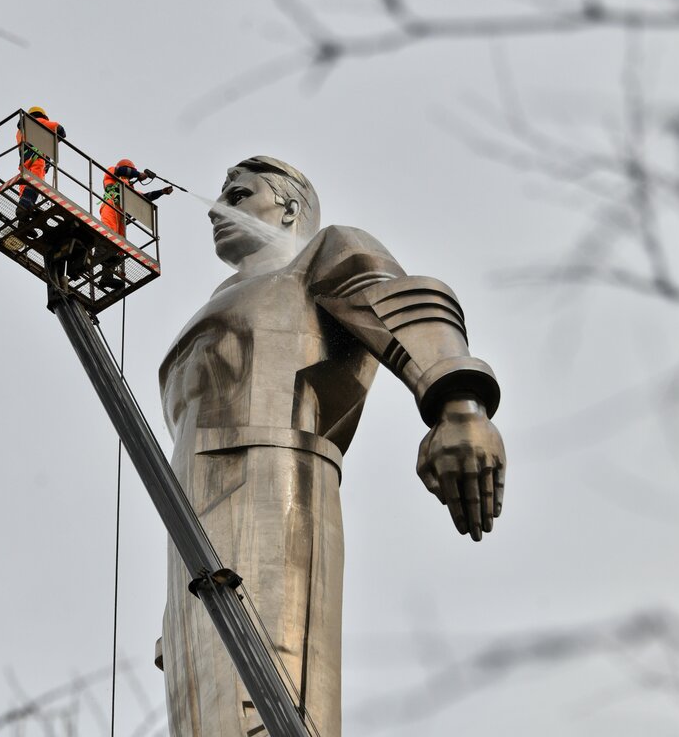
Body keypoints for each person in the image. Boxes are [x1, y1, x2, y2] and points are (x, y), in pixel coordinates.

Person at [157, 156, 506, 737]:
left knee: (269, 696)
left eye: (238, 196)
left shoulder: (316, 257)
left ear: (289, 207)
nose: (217, 210)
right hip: (188, 509)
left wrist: (459, 404)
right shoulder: (224, 300)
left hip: (274, 478)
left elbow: (400, 301)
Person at [15, 106, 65, 223]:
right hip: (37, 157)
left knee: (25, 183)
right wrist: (52, 140)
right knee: (36, 181)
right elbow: (60, 130)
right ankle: (25, 205)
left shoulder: (20, 131)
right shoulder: (39, 122)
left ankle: (23, 218)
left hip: (25, 159)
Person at [99, 158, 173, 236]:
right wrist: (138, 174)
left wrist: (161, 192)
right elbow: (122, 170)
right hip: (111, 205)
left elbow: (144, 197)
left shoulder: (129, 187)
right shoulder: (112, 171)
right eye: (131, 171)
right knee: (108, 231)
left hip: (121, 213)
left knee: (120, 238)